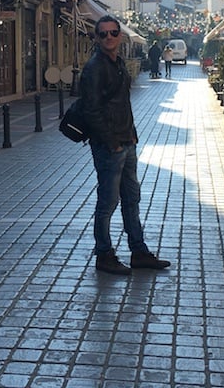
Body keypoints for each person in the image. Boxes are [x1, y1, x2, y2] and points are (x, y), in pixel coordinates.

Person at [79, 14, 171, 276]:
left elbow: (122, 104)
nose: (109, 37)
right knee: (108, 201)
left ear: (119, 35)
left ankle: (139, 251)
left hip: (126, 141)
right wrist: (112, 143)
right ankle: (104, 254)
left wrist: (130, 136)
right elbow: (91, 110)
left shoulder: (117, 62)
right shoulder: (95, 67)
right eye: (103, 33)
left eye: (113, 32)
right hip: (110, 146)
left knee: (131, 198)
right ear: (97, 38)